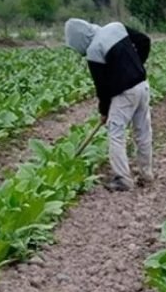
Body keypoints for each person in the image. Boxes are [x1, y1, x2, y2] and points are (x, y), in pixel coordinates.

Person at [64, 18, 152, 192]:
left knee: (116, 134)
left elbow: (102, 88)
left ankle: (123, 180)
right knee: (143, 130)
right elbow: (144, 41)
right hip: (142, 85)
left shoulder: (93, 50)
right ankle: (146, 174)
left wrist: (104, 111)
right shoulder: (116, 27)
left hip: (125, 94)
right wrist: (136, 65)